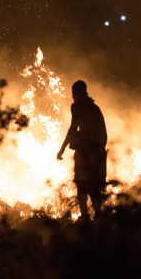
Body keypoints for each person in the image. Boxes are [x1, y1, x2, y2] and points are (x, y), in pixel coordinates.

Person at [57, 80, 107, 221]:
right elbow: (103, 133)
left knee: (82, 183)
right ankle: (98, 215)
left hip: (86, 151)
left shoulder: (77, 106)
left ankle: (85, 217)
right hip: (98, 151)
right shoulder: (94, 107)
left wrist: (62, 148)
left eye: (73, 93)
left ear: (75, 93)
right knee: (94, 185)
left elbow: (73, 128)